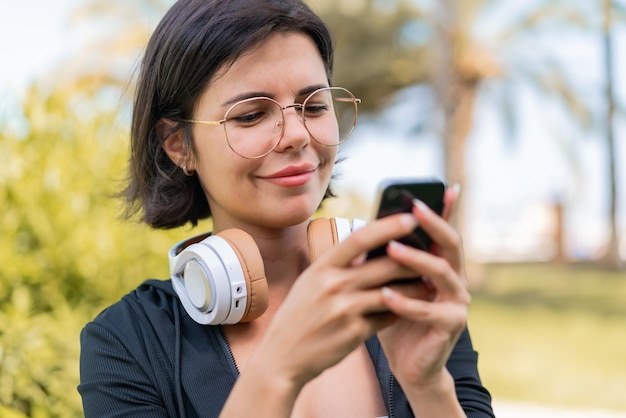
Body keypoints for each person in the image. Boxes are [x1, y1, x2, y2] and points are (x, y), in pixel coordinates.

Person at [78, 0, 495, 417]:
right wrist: (279, 369)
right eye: (251, 115)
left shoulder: (405, 298)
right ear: (178, 145)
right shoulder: (126, 342)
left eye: (314, 105)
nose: (296, 134)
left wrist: (428, 387)